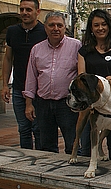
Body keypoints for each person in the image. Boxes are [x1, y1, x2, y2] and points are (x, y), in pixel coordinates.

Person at [23, 11, 81, 153]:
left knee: (72, 144)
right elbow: (31, 78)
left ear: (64, 27)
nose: (55, 28)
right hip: (43, 104)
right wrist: (29, 104)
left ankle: (73, 172)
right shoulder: (36, 49)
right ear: (45, 27)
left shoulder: (76, 46)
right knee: (46, 146)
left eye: (59, 25)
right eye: (51, 25)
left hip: (67, 104)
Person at [78, 9, 111, 160]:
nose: (100, 28)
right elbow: (81, 78)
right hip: (91, 106)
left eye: (104, 24)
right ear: (91, 28)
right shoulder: (84, 51)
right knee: (87, 143)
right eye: (96, 25)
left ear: (110, 26)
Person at [2, 0, 47, 149]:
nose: (24, 12)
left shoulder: (45, 32)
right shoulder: (12, 31)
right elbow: (8, 58)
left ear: (37, 12)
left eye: (29, 9)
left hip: (39, 91)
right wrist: (4, 84)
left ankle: (40, 160)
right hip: (19, 87)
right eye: (22, 9)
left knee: (38, 129)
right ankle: (26, 160)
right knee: (23, 129)